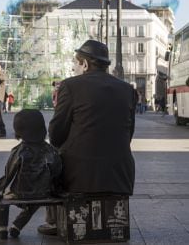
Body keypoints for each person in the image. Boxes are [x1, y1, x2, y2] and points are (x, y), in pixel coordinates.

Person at [38, 39, 137, 235]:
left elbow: (56, 134)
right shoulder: (128, 90)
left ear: (84, 64)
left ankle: (54, 222)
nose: (74, 68)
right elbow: (129, 133)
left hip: (80, 173)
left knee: (48, 161)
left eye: (75, 63)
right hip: (120, 172)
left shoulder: (70, 86)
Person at [0, 109, 62, 239]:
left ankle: (2, 230)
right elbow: (57, 172)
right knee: (35, 202)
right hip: (43, 193)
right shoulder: (50, 150)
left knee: (3, 198)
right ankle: (17, 224)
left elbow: (7, 177)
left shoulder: (19, 151)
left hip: (19, 192)